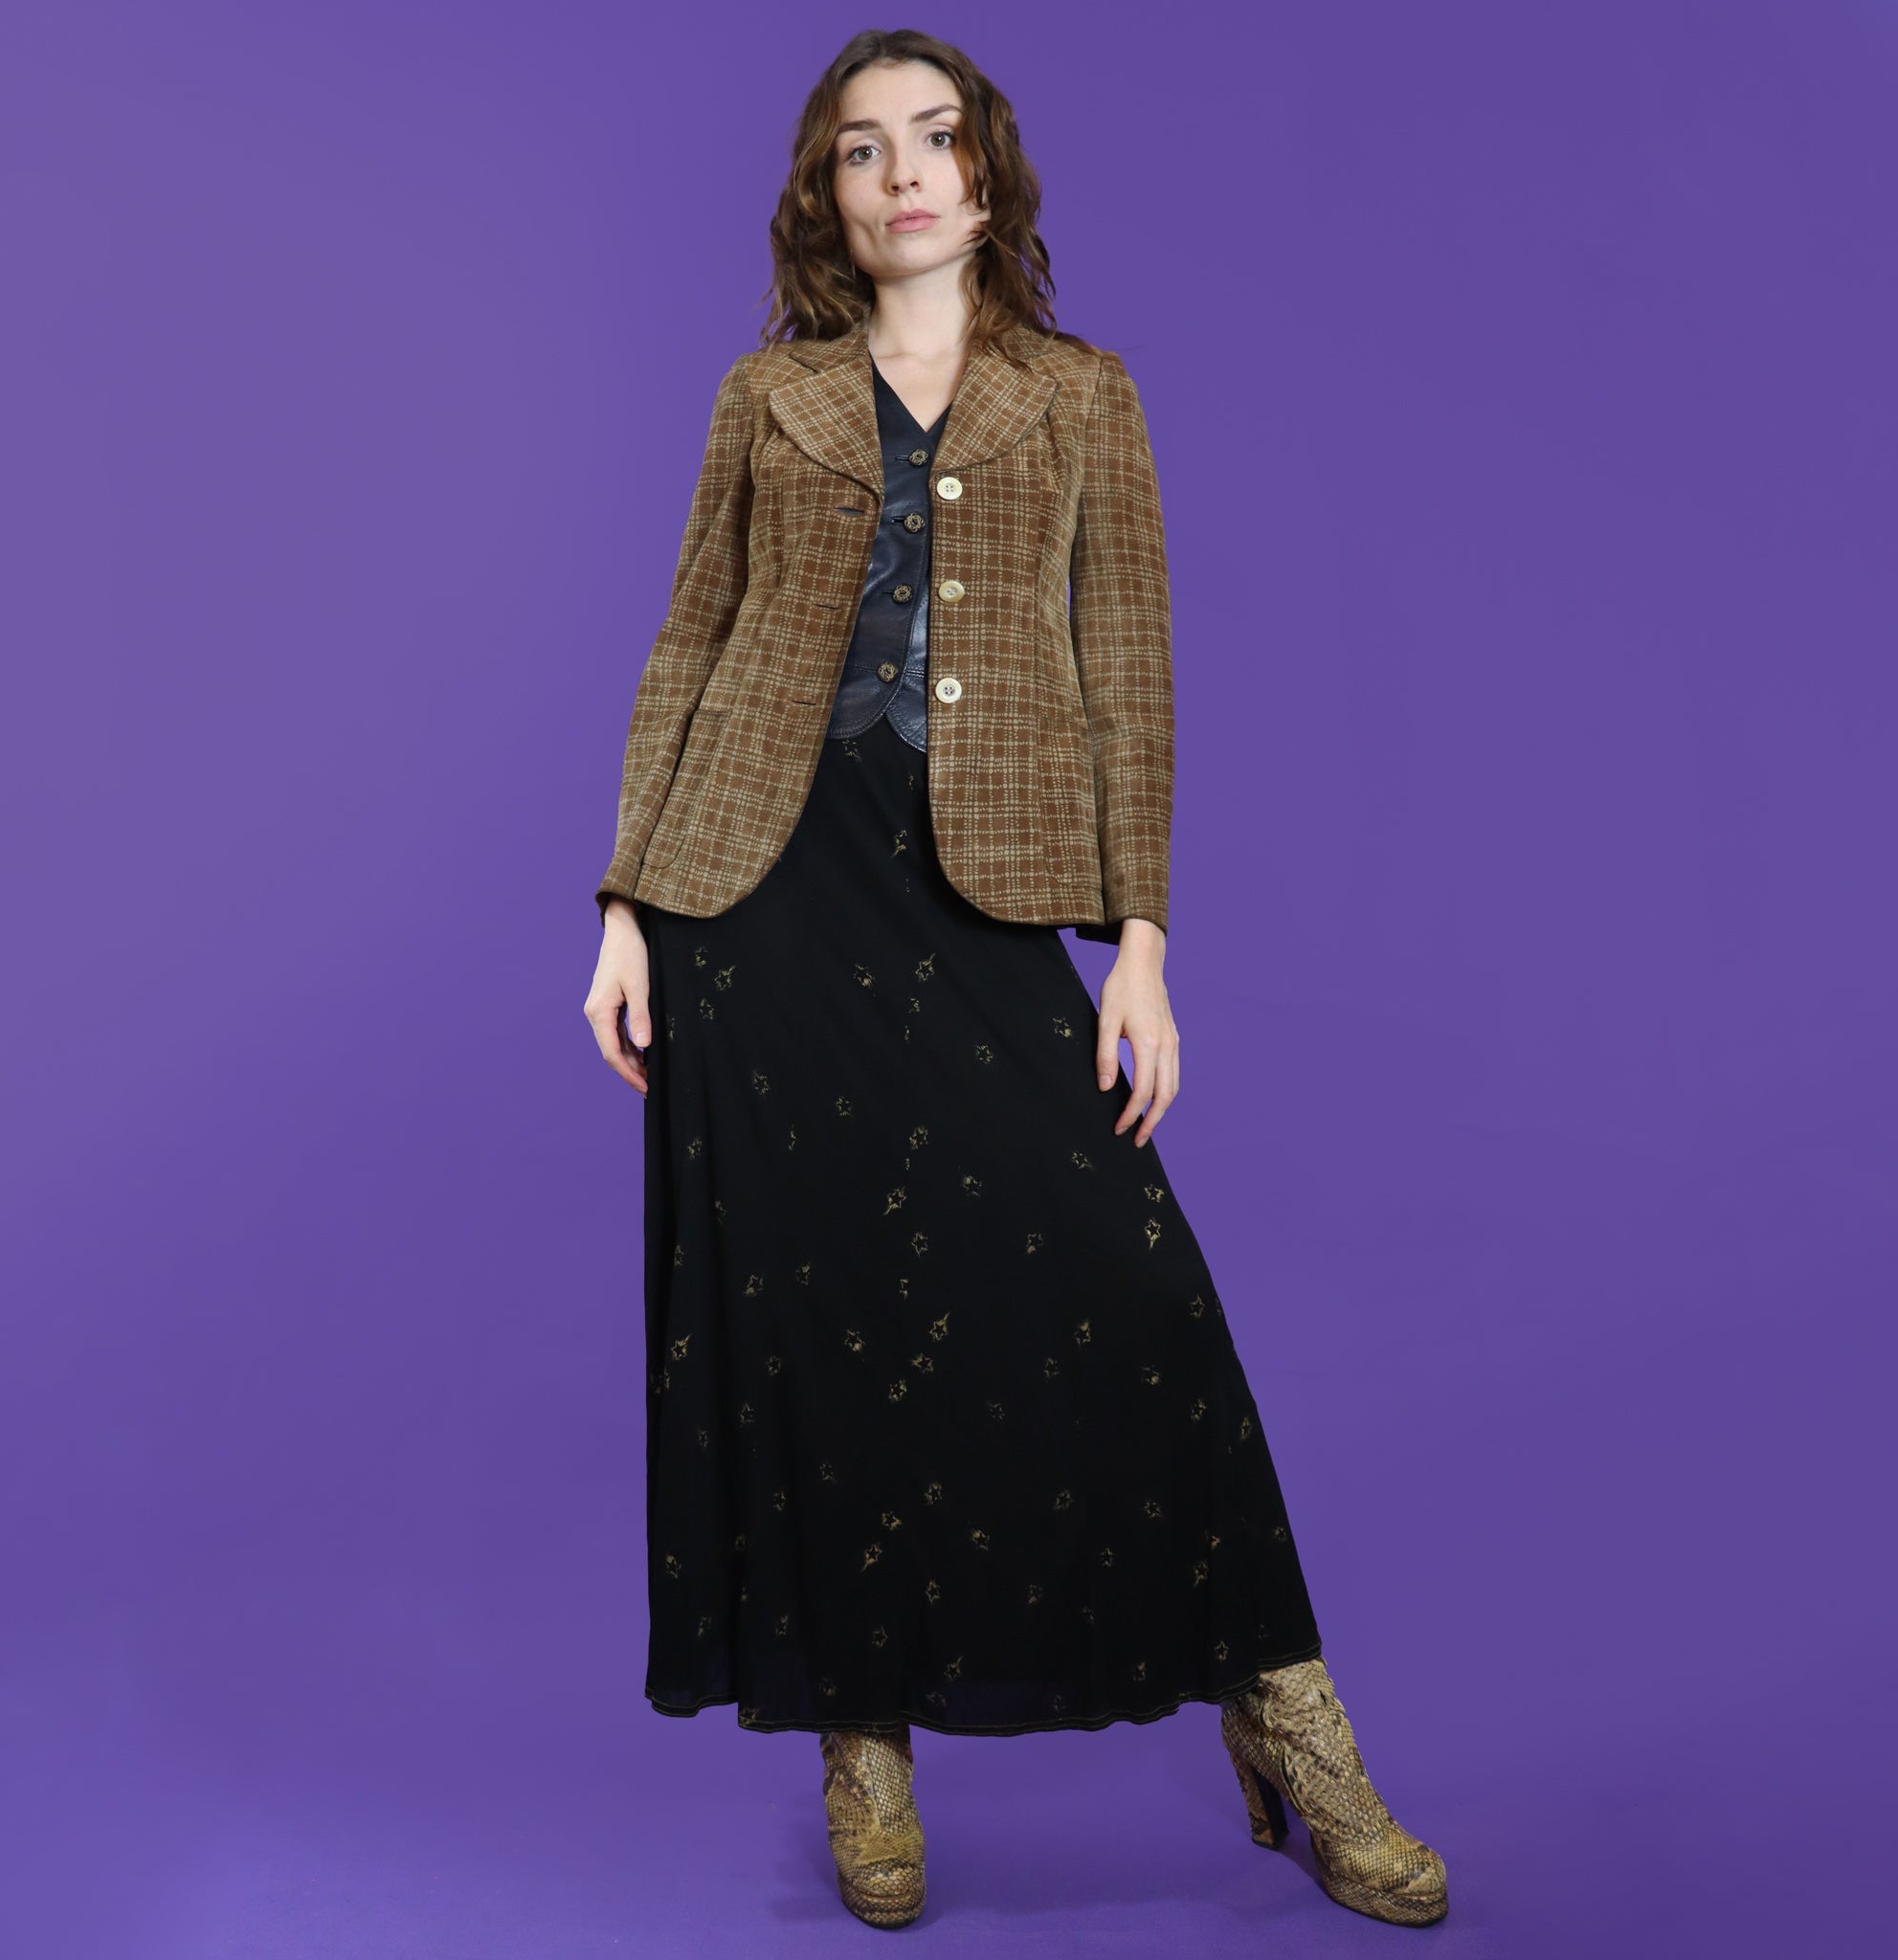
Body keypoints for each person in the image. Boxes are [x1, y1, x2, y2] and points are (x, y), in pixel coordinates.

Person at [583, 26, 1446, 1933]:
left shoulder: (1081, 396)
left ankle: (1287, 1718)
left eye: (933, 139)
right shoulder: (764, 397)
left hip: (984, 896)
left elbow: (1129, 666)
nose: (900, 173)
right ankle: (861, 1739)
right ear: (826, 194)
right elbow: (688, 642)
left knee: (1131, 1293)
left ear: (987, 179)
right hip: (758, 899)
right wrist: (628, 905)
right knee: (819, 1316)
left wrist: (1141, 947)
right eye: (860, 148)